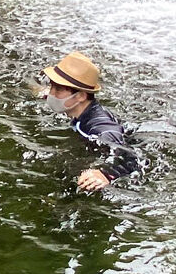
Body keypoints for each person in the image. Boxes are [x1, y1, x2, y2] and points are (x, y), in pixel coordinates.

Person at [39, 52, 140, 192]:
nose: (51, 94)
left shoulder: (99, 125)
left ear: (80, 96)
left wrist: (106, 174)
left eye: (58, 89)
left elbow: (128, 156)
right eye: (52, 87)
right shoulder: (79, 110)